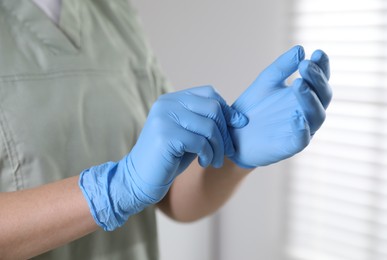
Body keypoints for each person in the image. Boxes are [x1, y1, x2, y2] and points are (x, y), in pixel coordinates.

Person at [0, 0, 332, 259]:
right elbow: (132, 183)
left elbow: (172, 196)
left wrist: (235, 151)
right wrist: (112, 191)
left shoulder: (112, 12)